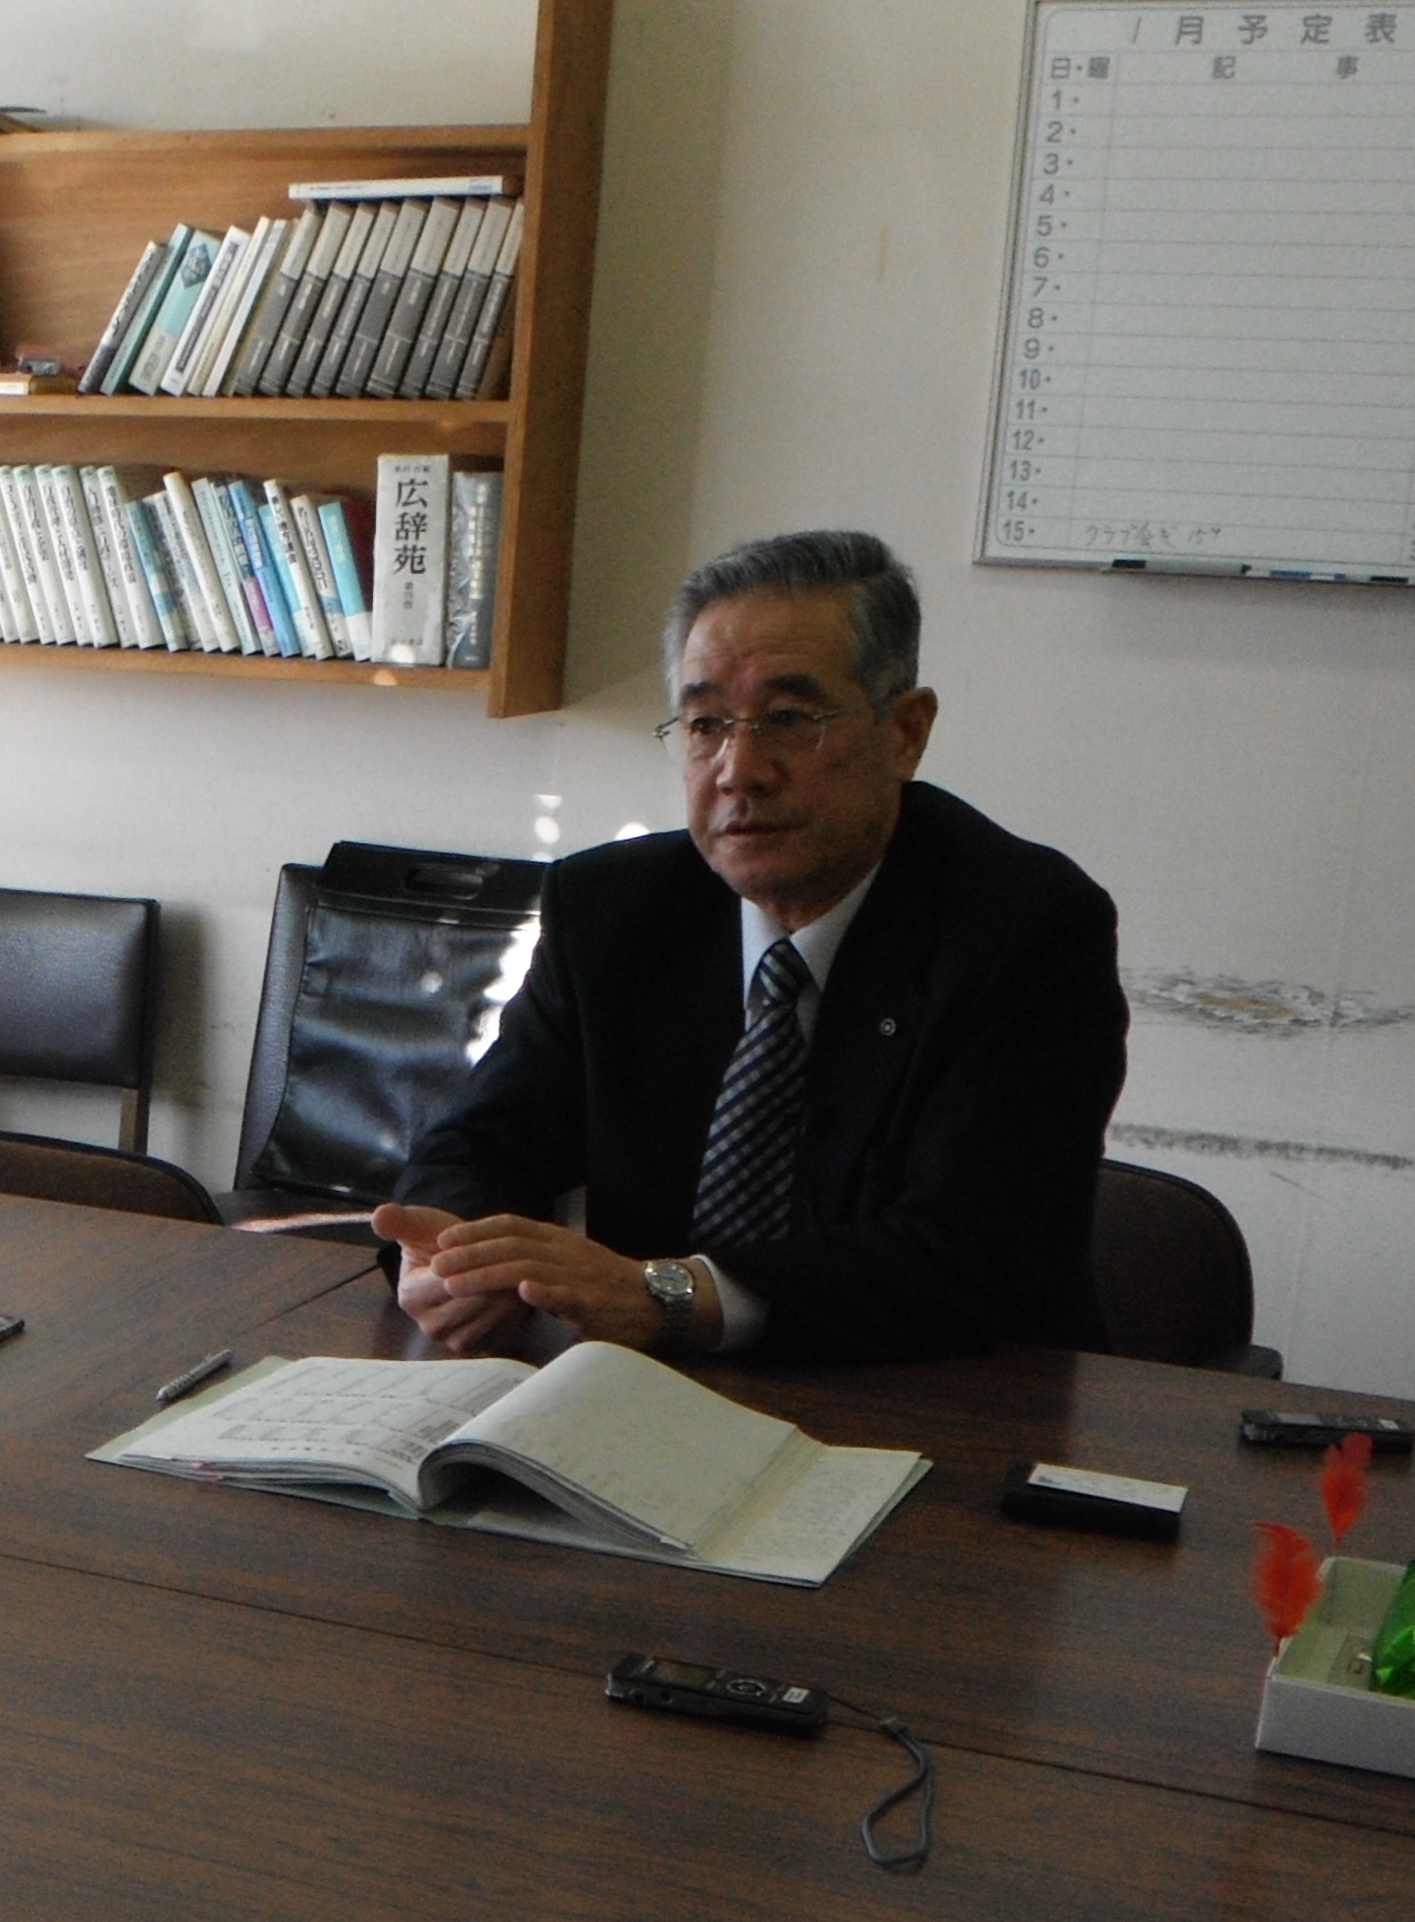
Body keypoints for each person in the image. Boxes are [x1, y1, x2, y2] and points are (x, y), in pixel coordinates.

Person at [375, 529, 1125, 1367]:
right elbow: (481, 1143)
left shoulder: (1024, 928)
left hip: (944, 1400)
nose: (739, 769)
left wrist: (673, 1295)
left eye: (789, 720)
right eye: (705, 724)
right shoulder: (611, 910)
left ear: (905, 732)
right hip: (641, 1402)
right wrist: (455, 1258)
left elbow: (971, 1253)